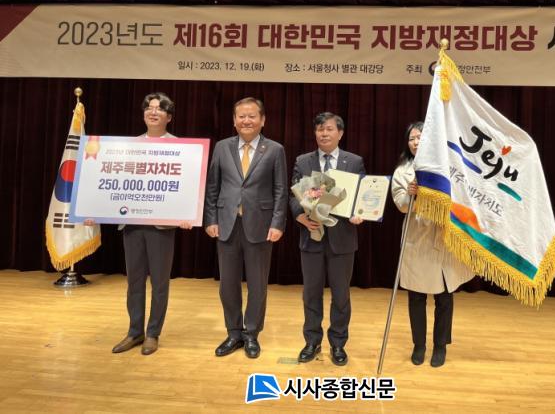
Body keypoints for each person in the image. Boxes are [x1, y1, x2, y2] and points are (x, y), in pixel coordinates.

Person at [204, 97, 287, 359]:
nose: (246, 121)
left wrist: (277, 223)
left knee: (257, 285)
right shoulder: (222, 147)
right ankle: (233, 333)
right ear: (234, 120)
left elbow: (280, 190)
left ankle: (251, 333)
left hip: (260, 226)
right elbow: (212, 186)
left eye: (252, 116)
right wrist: (210, 219)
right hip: (227, 224)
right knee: (227, 285)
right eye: (241, 116)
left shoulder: (275, 149)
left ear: (262, 120)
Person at [110, 92, 192, 356]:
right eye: (149, 107)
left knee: (159, 283)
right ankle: (135, 331)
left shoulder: (181, 148)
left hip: (162, 227)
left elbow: (186, 186)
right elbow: (116, 183)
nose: (153, 112)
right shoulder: (128, 146)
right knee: (134, 281)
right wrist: (94, 210)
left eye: (159, 108)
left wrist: (187, 214)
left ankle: (153, 333)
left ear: (169, 117)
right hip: (132, 224)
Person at [391, 121, 474, 367]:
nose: (416, 142)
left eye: (421, 137)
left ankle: (440, 346)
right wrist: (411, 194)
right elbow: (401, 205)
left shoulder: (447, 166)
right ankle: (419, 345)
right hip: (417, 239)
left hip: (442, 238)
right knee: (416, 297)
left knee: (444, 298)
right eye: (412, 138)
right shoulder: (402, 171)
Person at [290, 112, 365, 366]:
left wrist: (360, 213)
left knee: (341, 295)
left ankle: (338, 343)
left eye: (329, 129)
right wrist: (300, 216)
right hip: (311, 236)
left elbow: (361, 197)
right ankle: (312, 341)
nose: (324, 133)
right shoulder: (303, 161)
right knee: (311, 294)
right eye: (320, 129)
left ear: (340, 133)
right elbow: (293, 196)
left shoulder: (354, 162)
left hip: (342, 240)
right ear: (315, 133)